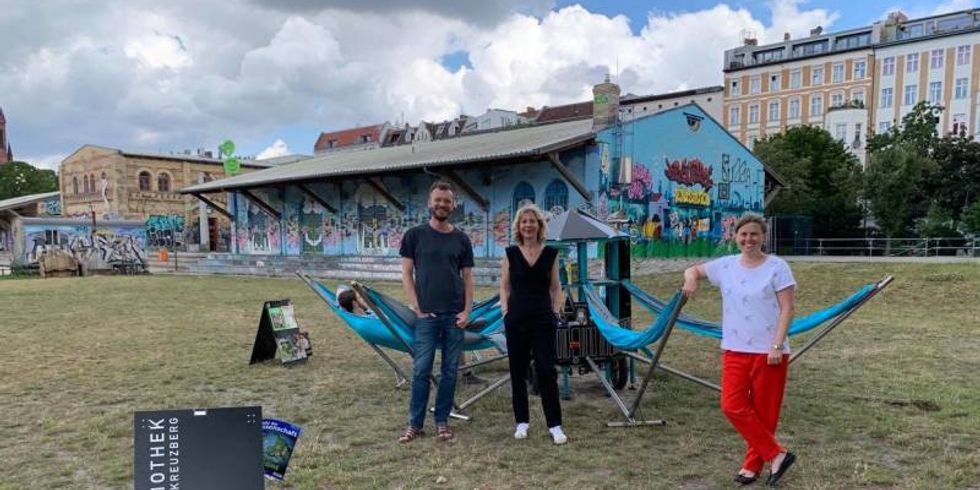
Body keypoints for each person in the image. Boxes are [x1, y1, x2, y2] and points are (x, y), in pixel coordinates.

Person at [681, 213, 797, 486]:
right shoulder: (726, 266)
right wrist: (690, 280)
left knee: (764, 413)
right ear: (735, 237)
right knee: (732, 405)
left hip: (769, 351)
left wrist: (777, 345)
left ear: (763, 237)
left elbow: (787, 308)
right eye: (743, 234)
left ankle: (751, 467)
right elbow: (694, 269)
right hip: (734, 349)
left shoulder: (777, 267)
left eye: (754, 234)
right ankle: (777, 454)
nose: (748, 239)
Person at [397, 181, 474, 443]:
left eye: (447, 201)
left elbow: (467, 278)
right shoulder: (414, 236)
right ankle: (415, 424)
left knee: (450, 372)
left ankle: (442, 421)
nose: (442, 204)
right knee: (420, 371)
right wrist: (417, 306)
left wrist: (467, 311)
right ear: (430, 203)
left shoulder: (461, 239)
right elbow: (407, 274)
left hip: (454, 316)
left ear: (453, 205)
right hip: (426, 316)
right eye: (438, 200)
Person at [500, 204, 567, 445]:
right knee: (518, 371)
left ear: (539, 226)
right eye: (524, 221)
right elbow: (505, 286)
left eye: (532, 221)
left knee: (546, 371)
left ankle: (555, 425)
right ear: (519, 227)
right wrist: (505, 310)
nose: (528, 225)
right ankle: (522, 422)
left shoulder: (550, 253)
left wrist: (555, 312)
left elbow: (556, 287)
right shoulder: (510, 253)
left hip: (542, 319)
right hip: (516, 319)